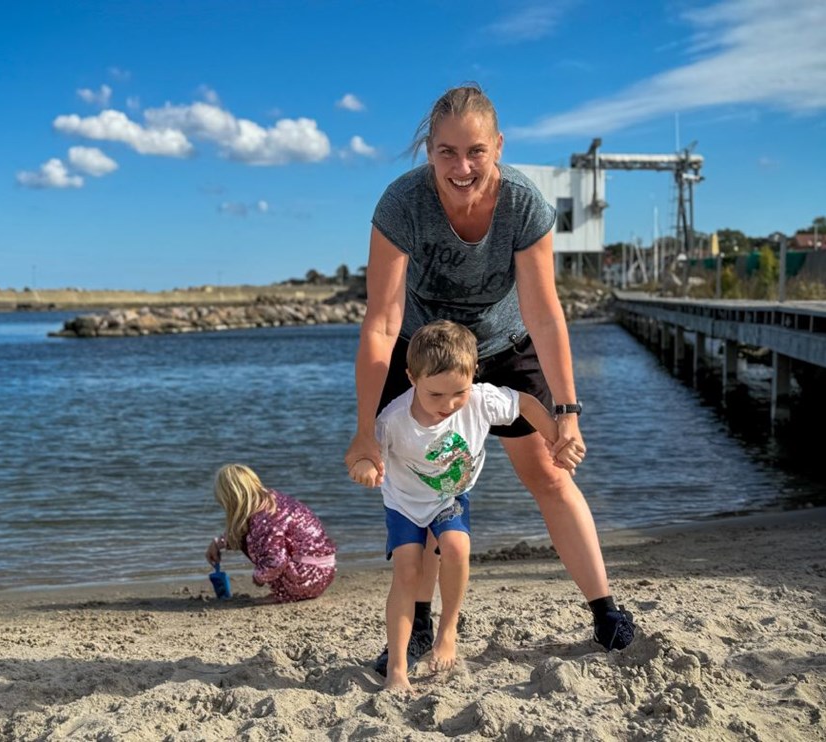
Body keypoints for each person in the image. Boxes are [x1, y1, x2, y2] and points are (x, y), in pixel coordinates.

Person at [344, 83, 636, 674]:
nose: (461, 166)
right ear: (429, 150)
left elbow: (545, 311)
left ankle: (605, 612)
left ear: (498, 146)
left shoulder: (523, 203)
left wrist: (568, 411)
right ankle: (419, 627)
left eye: (475, 151)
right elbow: (381, 320)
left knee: (552, 474)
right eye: (447, 152)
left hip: (505, 346)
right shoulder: (402, 205)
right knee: (423, 491)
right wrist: (365, 431)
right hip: (425, 354)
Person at [351, 320, 566, 691]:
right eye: (435, 395)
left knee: (456, 547)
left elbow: (526, 403)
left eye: (458, 393)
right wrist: (365, 469)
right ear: (411, 377)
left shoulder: (481, 398)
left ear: (474, 374)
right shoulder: (393, 419)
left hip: (448, 496)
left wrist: (554, 437)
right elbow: (363, 454)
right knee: (407, 572)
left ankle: (447, 630)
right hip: (404, 503)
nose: (448, 406)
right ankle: (398, 669)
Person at [205, 463, 336, 603]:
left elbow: (276, 560)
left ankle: (286, 594)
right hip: (323, 570)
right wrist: (218, 543)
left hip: (307, 578)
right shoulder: (271, 501)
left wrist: (259, 576)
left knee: (259, 544)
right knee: (256, 538)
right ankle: (290, 590)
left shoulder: (264, 518)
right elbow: (244, 531)